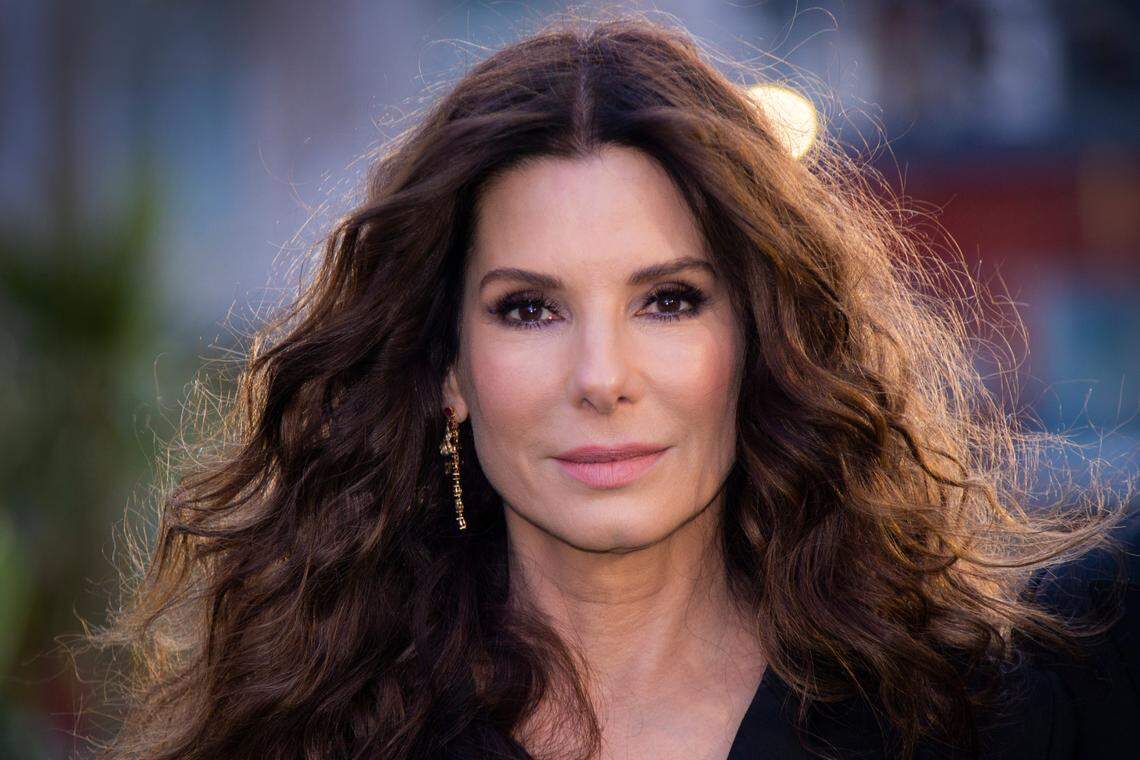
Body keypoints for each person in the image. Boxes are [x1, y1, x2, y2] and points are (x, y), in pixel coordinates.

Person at [88, 14, 1138, 760]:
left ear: (760, 338)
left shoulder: (992, 705)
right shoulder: (305, 735)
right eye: (529, 308)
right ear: (446, 369)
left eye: (668, 300)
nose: (601, 379)